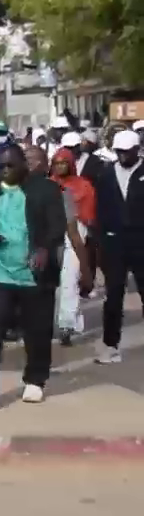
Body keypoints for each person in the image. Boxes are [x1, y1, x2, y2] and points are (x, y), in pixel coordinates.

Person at [0, 142, 69, 407]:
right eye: (1, 166)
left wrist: (44, 248)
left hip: (34, 275)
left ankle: (35, 380)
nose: (5, 171)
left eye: (11, 165)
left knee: (37, 331)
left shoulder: (45, 190)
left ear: (24, 165)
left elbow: (57, 225)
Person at [94, 129, 144, 364]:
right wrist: (102, 241)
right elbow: (100, 210)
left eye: (127, 152)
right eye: (119, 152)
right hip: (114, 243)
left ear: (137, 150)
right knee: (113, 295)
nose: (123, 156)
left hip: (141, 241)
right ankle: (110, 345)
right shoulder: (106, 174)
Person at [52, 148, 98, 343]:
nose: (60, 166)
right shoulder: (49, 185)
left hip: (77, 232)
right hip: (53, 234)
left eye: (64, 162)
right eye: (57, 163)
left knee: (70, 278)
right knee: (56, 284)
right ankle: (63, 321)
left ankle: (67, 325)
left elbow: (89, 215)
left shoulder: (84, 185)